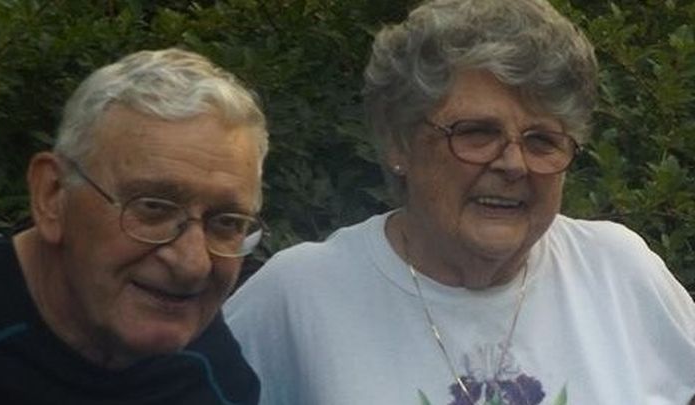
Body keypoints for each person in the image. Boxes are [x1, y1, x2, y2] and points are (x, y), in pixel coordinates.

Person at [224, 1, 695, 404]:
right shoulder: (298, 297)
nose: (513, 164)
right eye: (476, 133)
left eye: (542, 140)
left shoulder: (617, 270)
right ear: (399, 143)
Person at [0, 48, 268, 404]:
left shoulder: (215, 381)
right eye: (153, 208)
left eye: (227, 223)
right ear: (52, 195)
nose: (192, 264)